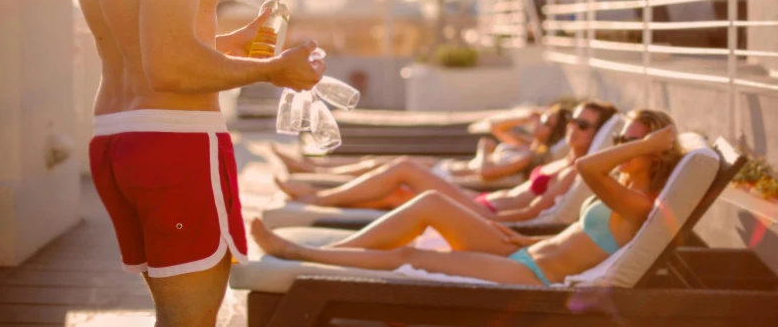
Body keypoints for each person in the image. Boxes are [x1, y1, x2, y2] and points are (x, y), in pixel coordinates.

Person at [70, 0, 325, 325]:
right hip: (174, 141)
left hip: (118, 138)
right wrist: (274, 70)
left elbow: (145, 46)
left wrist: (233, 42)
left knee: (172, 314)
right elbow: (171, 67)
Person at [252, 110, 684, 286]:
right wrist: (519, 237)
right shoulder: (624, 190)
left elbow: (589, 167)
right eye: (623, 137)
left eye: (633, 142)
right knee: (428, 205)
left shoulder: (640, 204)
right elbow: (574, 235)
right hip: (523, 250)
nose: (624, 145)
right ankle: (322, 252)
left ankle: (300, 253)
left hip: (535, 279)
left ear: (652, 154)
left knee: (414, 258)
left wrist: (648, 142)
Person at [275, 100, 617, 223]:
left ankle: (314, 195)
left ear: (597, 136)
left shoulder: (572, 168)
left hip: (488, 210)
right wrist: (525, 116)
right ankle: (314, 198)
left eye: (583, 125)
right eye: (573, 120)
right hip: (480, 202)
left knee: (404, 169)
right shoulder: (553, 157)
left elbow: (535, 211)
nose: (575, 126)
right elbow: (496, 127)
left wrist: (500, 226)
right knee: (397, 192)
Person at [269, 104, 571, 182]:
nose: (540, 123)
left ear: (553, 134)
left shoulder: (528, 156)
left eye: (546, 122)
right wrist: (526, 115)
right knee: (374, 161)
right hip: (449, 167)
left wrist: (484, 151)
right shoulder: (523, 142)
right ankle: (310, 166)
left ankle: (311, 173)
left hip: (452, 176)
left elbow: (486, 173)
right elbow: (493, 126)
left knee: (379, 167)